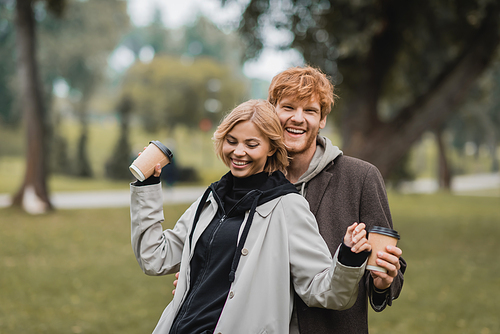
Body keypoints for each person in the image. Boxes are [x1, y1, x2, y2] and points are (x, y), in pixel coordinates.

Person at [131, 99, 372, 334]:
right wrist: (148, 186)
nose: (238, 152)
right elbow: (154, 257)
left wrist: (348, 257)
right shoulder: (211, 199)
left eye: (251, 144)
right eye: (231, 141)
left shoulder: (288, 206)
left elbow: (322, 290)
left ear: (271, 148)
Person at [267, 66, 407, 334]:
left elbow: (388, 270)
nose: (298, 118)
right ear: (272, 111)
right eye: (288, 107)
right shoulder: (254, 177)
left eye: (309, 111)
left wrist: (384, 282)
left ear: (322, 120)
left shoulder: (361, 177)